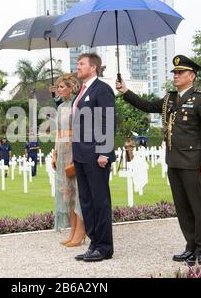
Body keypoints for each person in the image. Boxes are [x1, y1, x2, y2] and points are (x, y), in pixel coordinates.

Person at [116, 55, 201, 266]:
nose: (176, 75)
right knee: (182, 207)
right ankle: (191, 247)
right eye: (174, 72)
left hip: (192, 160)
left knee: (198, 207)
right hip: (173, 160)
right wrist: (125, 91)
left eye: (180, 72)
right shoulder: (169, 99)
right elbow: (146, 106)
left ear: (191, 76)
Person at [72, 53, 116, 263]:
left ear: (94, 67)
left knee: (100, 201)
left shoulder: (102, 89)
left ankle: (105, 247)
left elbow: (107, 120)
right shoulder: (81, 91)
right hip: (81, 154)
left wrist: (104, 152)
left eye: (81, 64)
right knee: (87, 202)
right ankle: (94, 242)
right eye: (78, 63)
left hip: (96, 155)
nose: (77, 66)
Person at [52, 74, 86, 247]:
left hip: (74, 151)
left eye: (61, 87)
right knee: (68, 195)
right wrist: (55, 153)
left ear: (71, 87)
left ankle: (80, 232)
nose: (58, 89)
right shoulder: (60, 108)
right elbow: (58, 132)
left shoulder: (77, 105)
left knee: (78, 193)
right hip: (62, 152)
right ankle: (72, 231)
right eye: (57, 87)